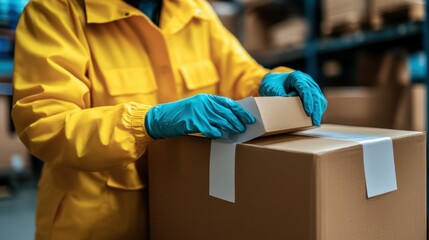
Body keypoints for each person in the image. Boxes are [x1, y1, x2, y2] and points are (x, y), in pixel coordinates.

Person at [11, 0, 327, 239]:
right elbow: (45, 125)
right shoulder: (55, 12)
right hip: (95, 224)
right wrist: (149, 122)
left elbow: (239, 71)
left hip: (186, 212)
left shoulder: (192, 9)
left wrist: (270, 81)